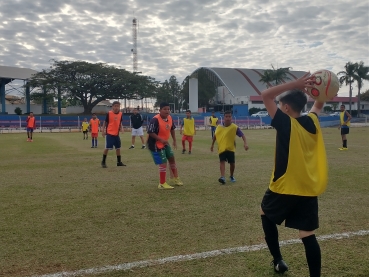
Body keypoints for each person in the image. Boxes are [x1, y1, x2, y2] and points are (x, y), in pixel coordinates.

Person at [259, 73, 328, 277]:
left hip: (285, 185)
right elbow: (318, 105)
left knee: (265, 213)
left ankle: (278, 260)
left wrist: (297, 85)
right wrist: (323, 90)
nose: (279, 108)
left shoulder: (285, 123)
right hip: (308, 187)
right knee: (307, 234)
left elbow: (265, 95)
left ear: (286, 108)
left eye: (281, 106)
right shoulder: (313, 122)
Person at [147, 102, 183, 189]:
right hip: (155, 143)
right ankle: (162, 183)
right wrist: (160, 139)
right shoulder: (155, 119)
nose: (167, 111)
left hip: (164, 143)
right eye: (165, 109)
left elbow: (172, 129)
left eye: (168, 109)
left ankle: (175, 178)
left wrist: (174, 140)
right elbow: (150, 132)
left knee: (171, 158)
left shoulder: (169, 118)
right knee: (163, 162)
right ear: (160, 110)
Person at [210, 111, 248, 184]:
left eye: (229, 116)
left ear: (231, 117)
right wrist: (212, 145)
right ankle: (222, 177)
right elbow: (215, 136)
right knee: (222, 161)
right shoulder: (219, 127)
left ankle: (231, 176)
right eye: (226, 116)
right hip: (222, 148)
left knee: (232, 163)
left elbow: (242, 135)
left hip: (231, 148)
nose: (228, 118)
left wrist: (245, 143)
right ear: (224, 117)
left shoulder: (234, 127)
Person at [101, 101, 126, 168]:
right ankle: (103, 162)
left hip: (116, 134)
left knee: (118, 148)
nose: (116, 107)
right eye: (115, 106)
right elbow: (105, 122)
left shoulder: (121, 114)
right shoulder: (109, 113)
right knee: (107, 148)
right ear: (112, 107)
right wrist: (103, 130)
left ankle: (119, 162)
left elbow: (120, 122)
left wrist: (122, 128)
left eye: (118, 106)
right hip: (109, 133)